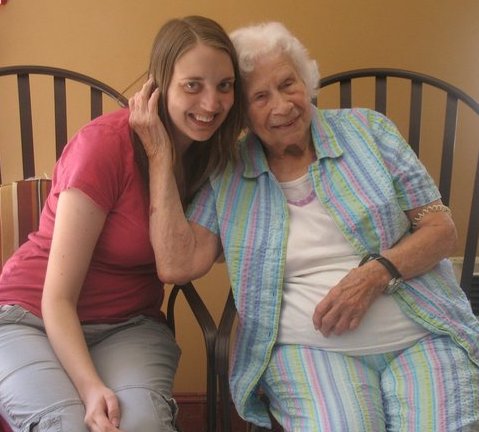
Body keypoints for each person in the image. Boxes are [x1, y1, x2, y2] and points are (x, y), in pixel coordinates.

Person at [132, 21, 479, 431]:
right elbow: (176, 265)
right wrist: (158, 155)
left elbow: (441, 229)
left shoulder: (369, 131)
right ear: (241, 111)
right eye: (260, 96)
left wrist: (375, 274)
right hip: (309, 351)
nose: (282, 106)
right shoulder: (228, 171)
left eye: (288, 84)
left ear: (306, 81)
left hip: (422, 333)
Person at [0, 15, 243, 432]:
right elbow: (56, 299)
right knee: (69, 425)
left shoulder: (218, 163)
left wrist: (161, 157)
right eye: (193, 85)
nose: (211, 104)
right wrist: (90, 387)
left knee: (142, 425)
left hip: (129, 326)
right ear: (159, 83)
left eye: (225, 85)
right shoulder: (103, 146)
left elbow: (178, 266)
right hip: (31, 317)